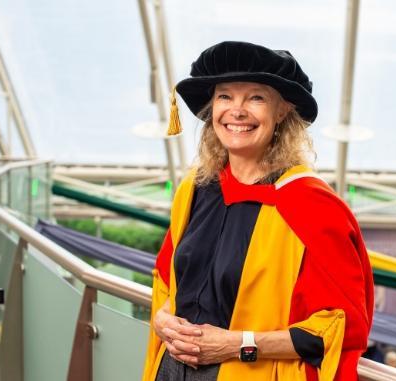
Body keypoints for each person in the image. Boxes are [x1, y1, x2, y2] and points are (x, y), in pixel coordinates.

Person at [142, 41, 374, 381]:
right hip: (172, 370)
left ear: (282, 111)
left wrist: (237, 345)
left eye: (255, 97)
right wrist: (163, 319)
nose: (236, 111)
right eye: (225, 96)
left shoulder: (311, 207)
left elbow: (336, 328)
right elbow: (169, 284)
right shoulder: (195, 189)